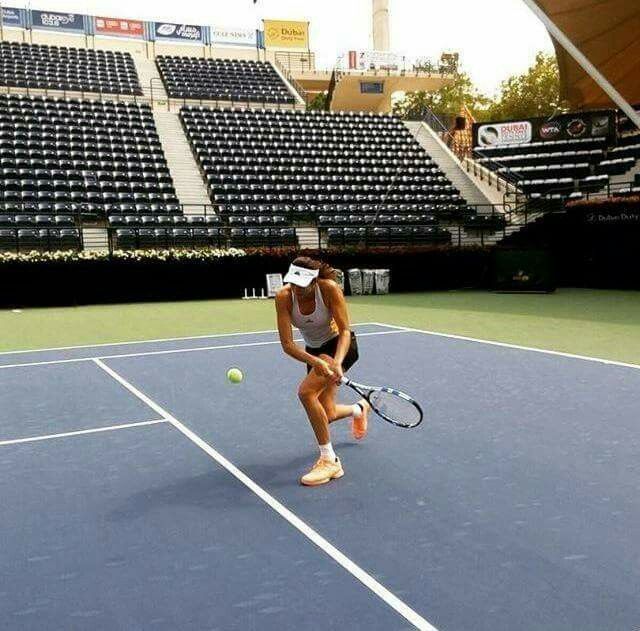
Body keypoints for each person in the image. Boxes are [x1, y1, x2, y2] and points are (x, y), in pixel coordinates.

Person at [275, 256, 369, 486]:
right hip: (313, 352)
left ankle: (330, 461)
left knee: (306, 393)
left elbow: (346, 330)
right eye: (293, 283)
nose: (296, 289)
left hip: (340, 346)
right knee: (325, 414)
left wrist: (337, 363)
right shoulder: (284, 297)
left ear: (315, 281)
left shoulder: (329, 289)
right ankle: (359, 409)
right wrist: (315, 361)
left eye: (302, 284)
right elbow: (287, 345)